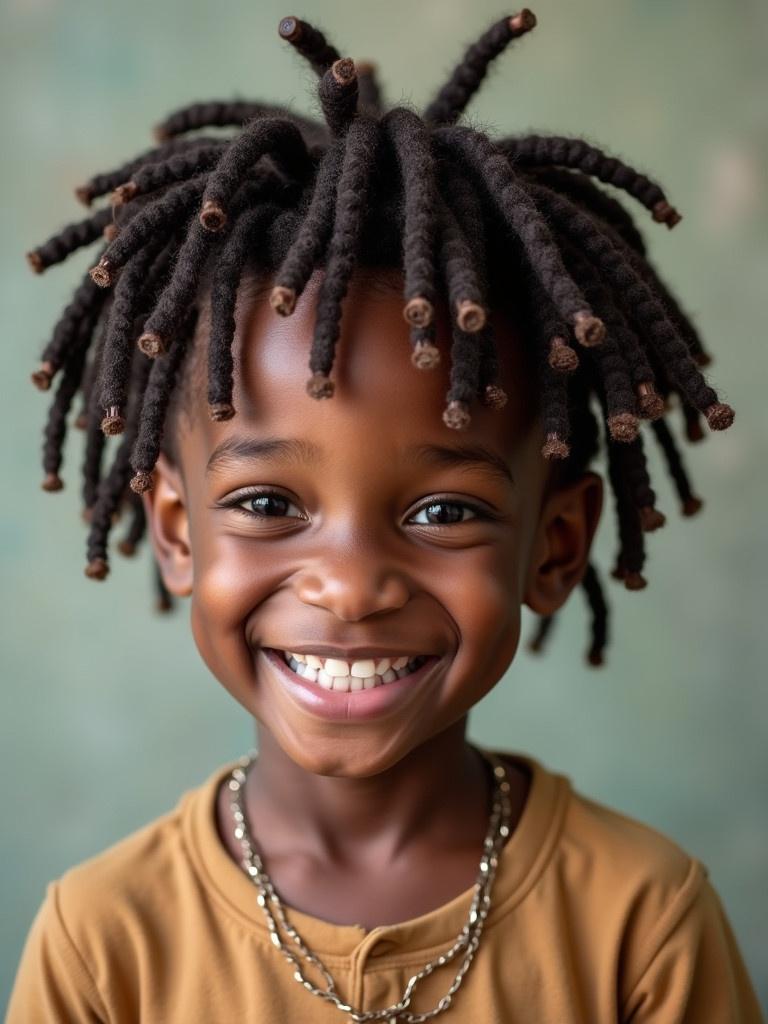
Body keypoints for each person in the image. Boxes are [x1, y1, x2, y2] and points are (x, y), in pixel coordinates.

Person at [7, 11, 764, 1023]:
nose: (352, 583)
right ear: (180, 532)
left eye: (444, 508)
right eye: (269, 503)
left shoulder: (642, 922)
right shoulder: (106, 943)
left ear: (557, 544)